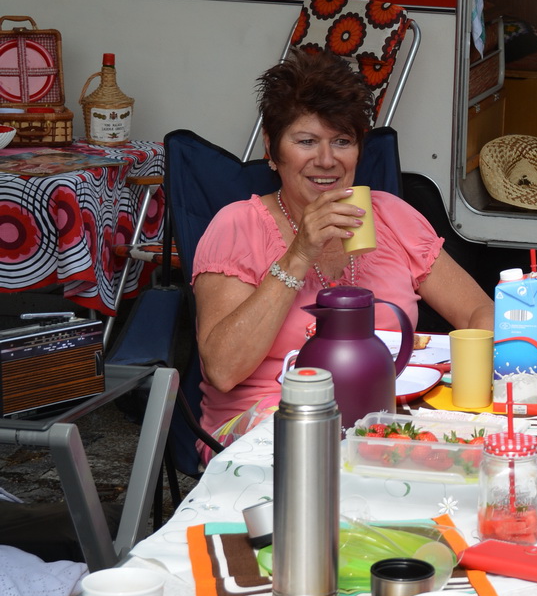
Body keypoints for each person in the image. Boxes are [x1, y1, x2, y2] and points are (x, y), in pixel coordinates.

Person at [193, 50, 492, 444]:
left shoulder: (390, 216)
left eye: (342, 141)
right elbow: (223, 369)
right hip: (272, 420)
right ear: (272, 148)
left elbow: (478, 311)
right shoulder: (238, 225)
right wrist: (300, 252)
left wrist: (478, 374)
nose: (326, 160)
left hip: (386, 416)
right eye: (306, 141)